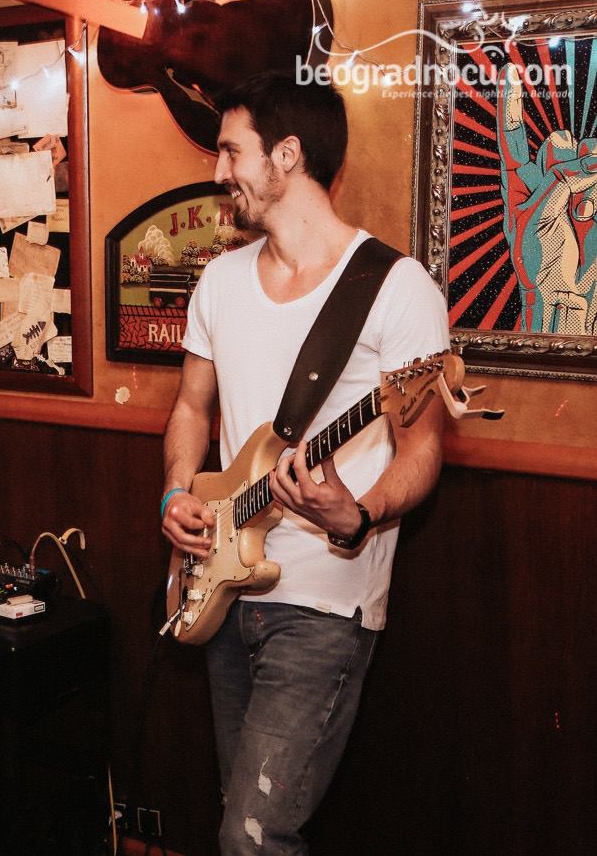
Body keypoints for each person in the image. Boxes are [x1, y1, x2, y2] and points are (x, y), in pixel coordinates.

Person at [159, 72, 448, 853]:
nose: (219, 170)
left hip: (324, 602)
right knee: (240, 818)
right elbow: (190, 408)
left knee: (252, 836)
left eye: (232, 151)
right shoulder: (220, 280)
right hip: (223, 582)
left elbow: (424, 447)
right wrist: (175, 495)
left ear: (286, 155)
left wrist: (360, 510)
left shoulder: (396, 288)